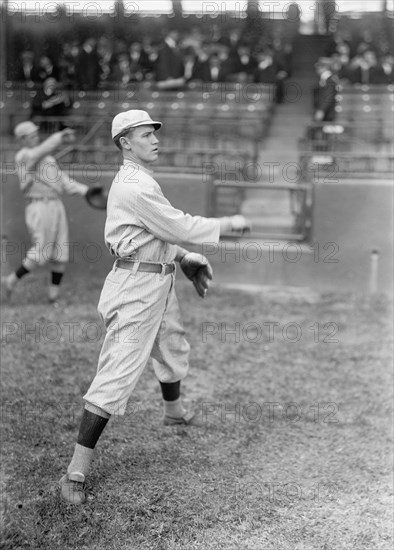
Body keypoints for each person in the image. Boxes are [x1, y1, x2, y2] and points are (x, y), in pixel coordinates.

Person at [59, 109, 251, 505]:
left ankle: (174, 412)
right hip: (135, 285)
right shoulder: (133, 185)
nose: (154, 139)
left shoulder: (141, 178)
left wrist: (183, 259)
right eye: (144, 135)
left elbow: (158, 234)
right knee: (118, 371)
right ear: (125, 143)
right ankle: (75, 472)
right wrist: (230, 222)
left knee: (172, 346)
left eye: (153, 133)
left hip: (156, 277)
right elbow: (178, 226)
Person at [2, 122, 89, 303]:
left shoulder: (48, 160)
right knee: (41, 250)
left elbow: (64, 182)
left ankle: (53, 297)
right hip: (39, 206)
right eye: (31, 136)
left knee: (60, 251)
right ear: (22, 139)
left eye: (36, 134)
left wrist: (86, 191)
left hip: (56, 205)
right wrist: (59, 137)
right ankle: (10, 281)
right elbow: (38, 152)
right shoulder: (23, 156)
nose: (36, 138)